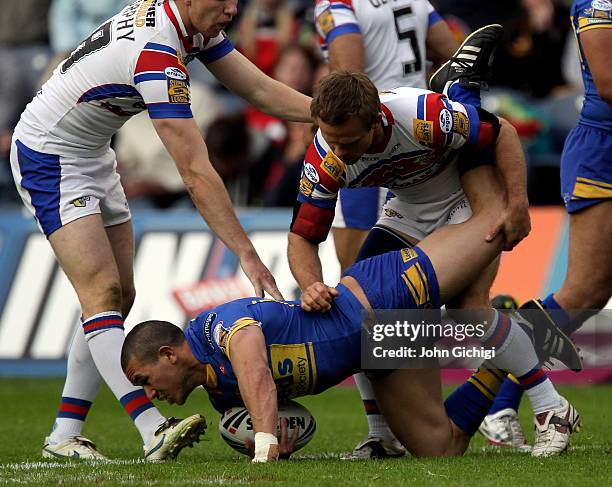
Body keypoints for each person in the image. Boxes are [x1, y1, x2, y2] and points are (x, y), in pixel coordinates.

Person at [10, 0, 311, 461]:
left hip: (91, 153)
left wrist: (327, 116)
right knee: (103, 293)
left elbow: (260, 89)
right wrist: (248, 256)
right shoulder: (156, 53)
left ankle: (64, 435)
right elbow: (194, 171)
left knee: (117, 299)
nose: (233, 7)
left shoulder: (193, 25)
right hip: (49, 153)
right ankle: (153, 430)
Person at [121, 169, 581, 462]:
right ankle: (507, 355)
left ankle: (549, 406)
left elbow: (257, 372)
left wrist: (262, 444)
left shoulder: (215, 328)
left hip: (376, 295)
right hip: (374, 349)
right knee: (440, 448)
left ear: (168, 354)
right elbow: (285, 414)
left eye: (144, 379)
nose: (149, 393)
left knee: (491, 229)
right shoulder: (221, 399)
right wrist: (278, 437)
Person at [313, 0, 459, 458]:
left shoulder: (339, 5)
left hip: (369, 150)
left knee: (359, 296)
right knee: (430, 298)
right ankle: (497, 407)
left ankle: (383, 430)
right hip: (421, 135)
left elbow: (346, 78)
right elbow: (449, 52)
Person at [479, 0, 612, 449]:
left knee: (587, 294)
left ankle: (498, 400)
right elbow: (609, 83)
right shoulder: (596, 3)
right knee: (582, 293)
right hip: (603, 155)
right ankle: (498, 400)